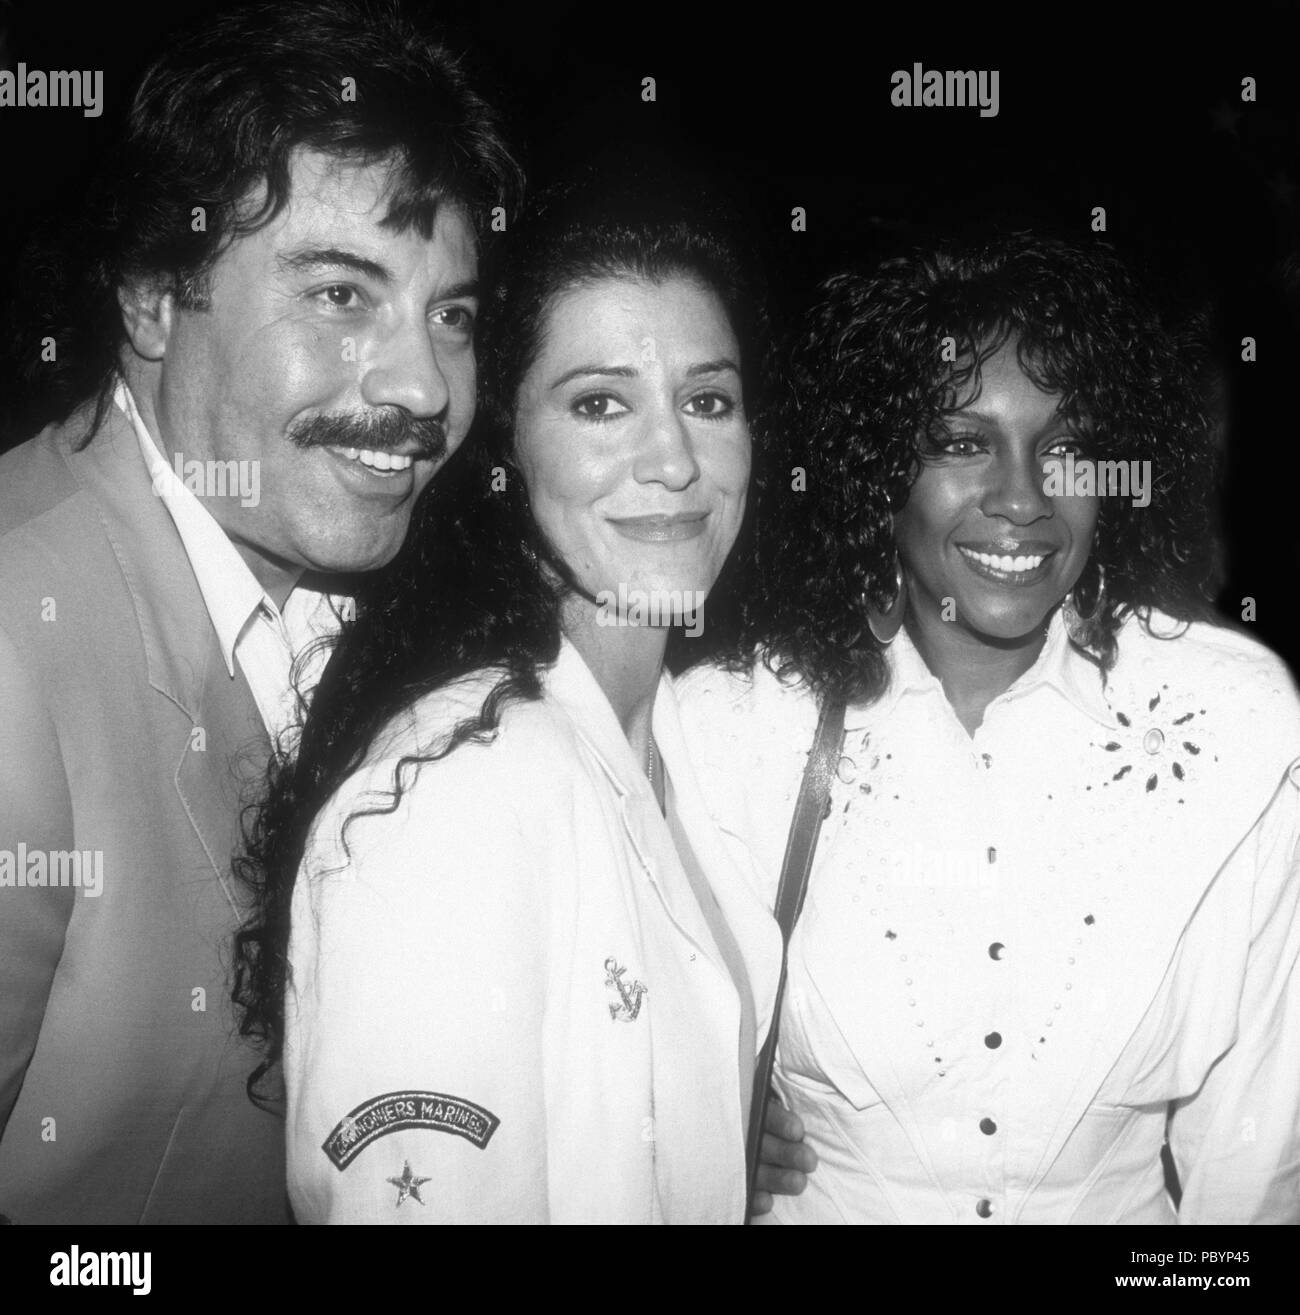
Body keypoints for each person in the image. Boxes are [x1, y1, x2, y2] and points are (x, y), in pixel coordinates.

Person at [0, 0, 521, 1223]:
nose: (420, 388)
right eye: (341, 295)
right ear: (147, 298)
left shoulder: (391, 605)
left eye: (451, 314)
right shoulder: (16, 643)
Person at [678, 234, 1300, 1224]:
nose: (1023, 498)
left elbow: (1259, 1164)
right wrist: (699, 1142)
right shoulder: (734, 729)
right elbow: (639, 1069)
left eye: (1068, 448)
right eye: (962, 443)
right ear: (877, 464)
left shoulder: (1229, 722)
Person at [232, 180, 785, 1223]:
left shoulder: (689, 740)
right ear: (503, 448)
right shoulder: (465, 791)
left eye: (707, 400)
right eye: (599, 403)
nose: (672, 460)